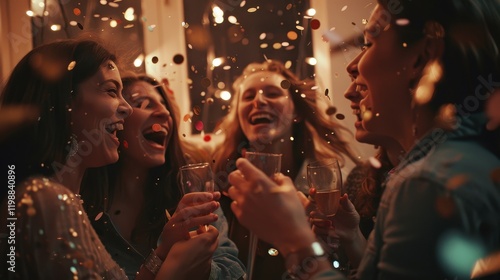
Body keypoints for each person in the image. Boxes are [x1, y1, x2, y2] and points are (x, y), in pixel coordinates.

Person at [227, 0, 500, 279]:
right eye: (248, 97)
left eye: (369, 43)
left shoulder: (427, 183)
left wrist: (293, 239)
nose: (354, 68)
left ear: (420, 58)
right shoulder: (458, 160)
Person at [80, 73, 246, 279]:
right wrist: (165, 258)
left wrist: (202, 266)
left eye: (164, 105)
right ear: (116, 119)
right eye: (142, 103)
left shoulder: (189, 191)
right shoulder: (82, 205)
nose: (164, 113)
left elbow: (233, 270)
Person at [212, 59, 360, 279]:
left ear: (297, 112)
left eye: (272, 93)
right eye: (249, 96)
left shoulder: (332, 185)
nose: (259, 101)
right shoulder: (220, 188)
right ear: (239, 117)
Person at [0, 39, 133, 279]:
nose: (127, 108)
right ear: (63, 101)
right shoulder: (43, 199)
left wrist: (162, 254)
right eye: (112, 91)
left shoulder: (65, 200)